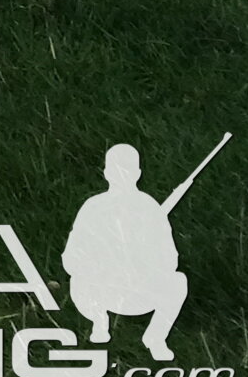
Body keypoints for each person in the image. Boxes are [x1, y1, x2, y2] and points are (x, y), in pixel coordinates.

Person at [63, 142, 192, 361]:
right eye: (116, 170)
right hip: (101, 291)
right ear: (106, 173)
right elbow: (71, 257)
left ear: (137, 174)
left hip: (141, 291)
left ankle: (156, 337)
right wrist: (101, 265)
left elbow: (170, 259)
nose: (121, 176)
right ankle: (99, 321)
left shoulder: (149, 208)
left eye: (127, 170)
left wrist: (143, 262)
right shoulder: (93, 207)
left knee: (178, 282)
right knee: (77, 281)